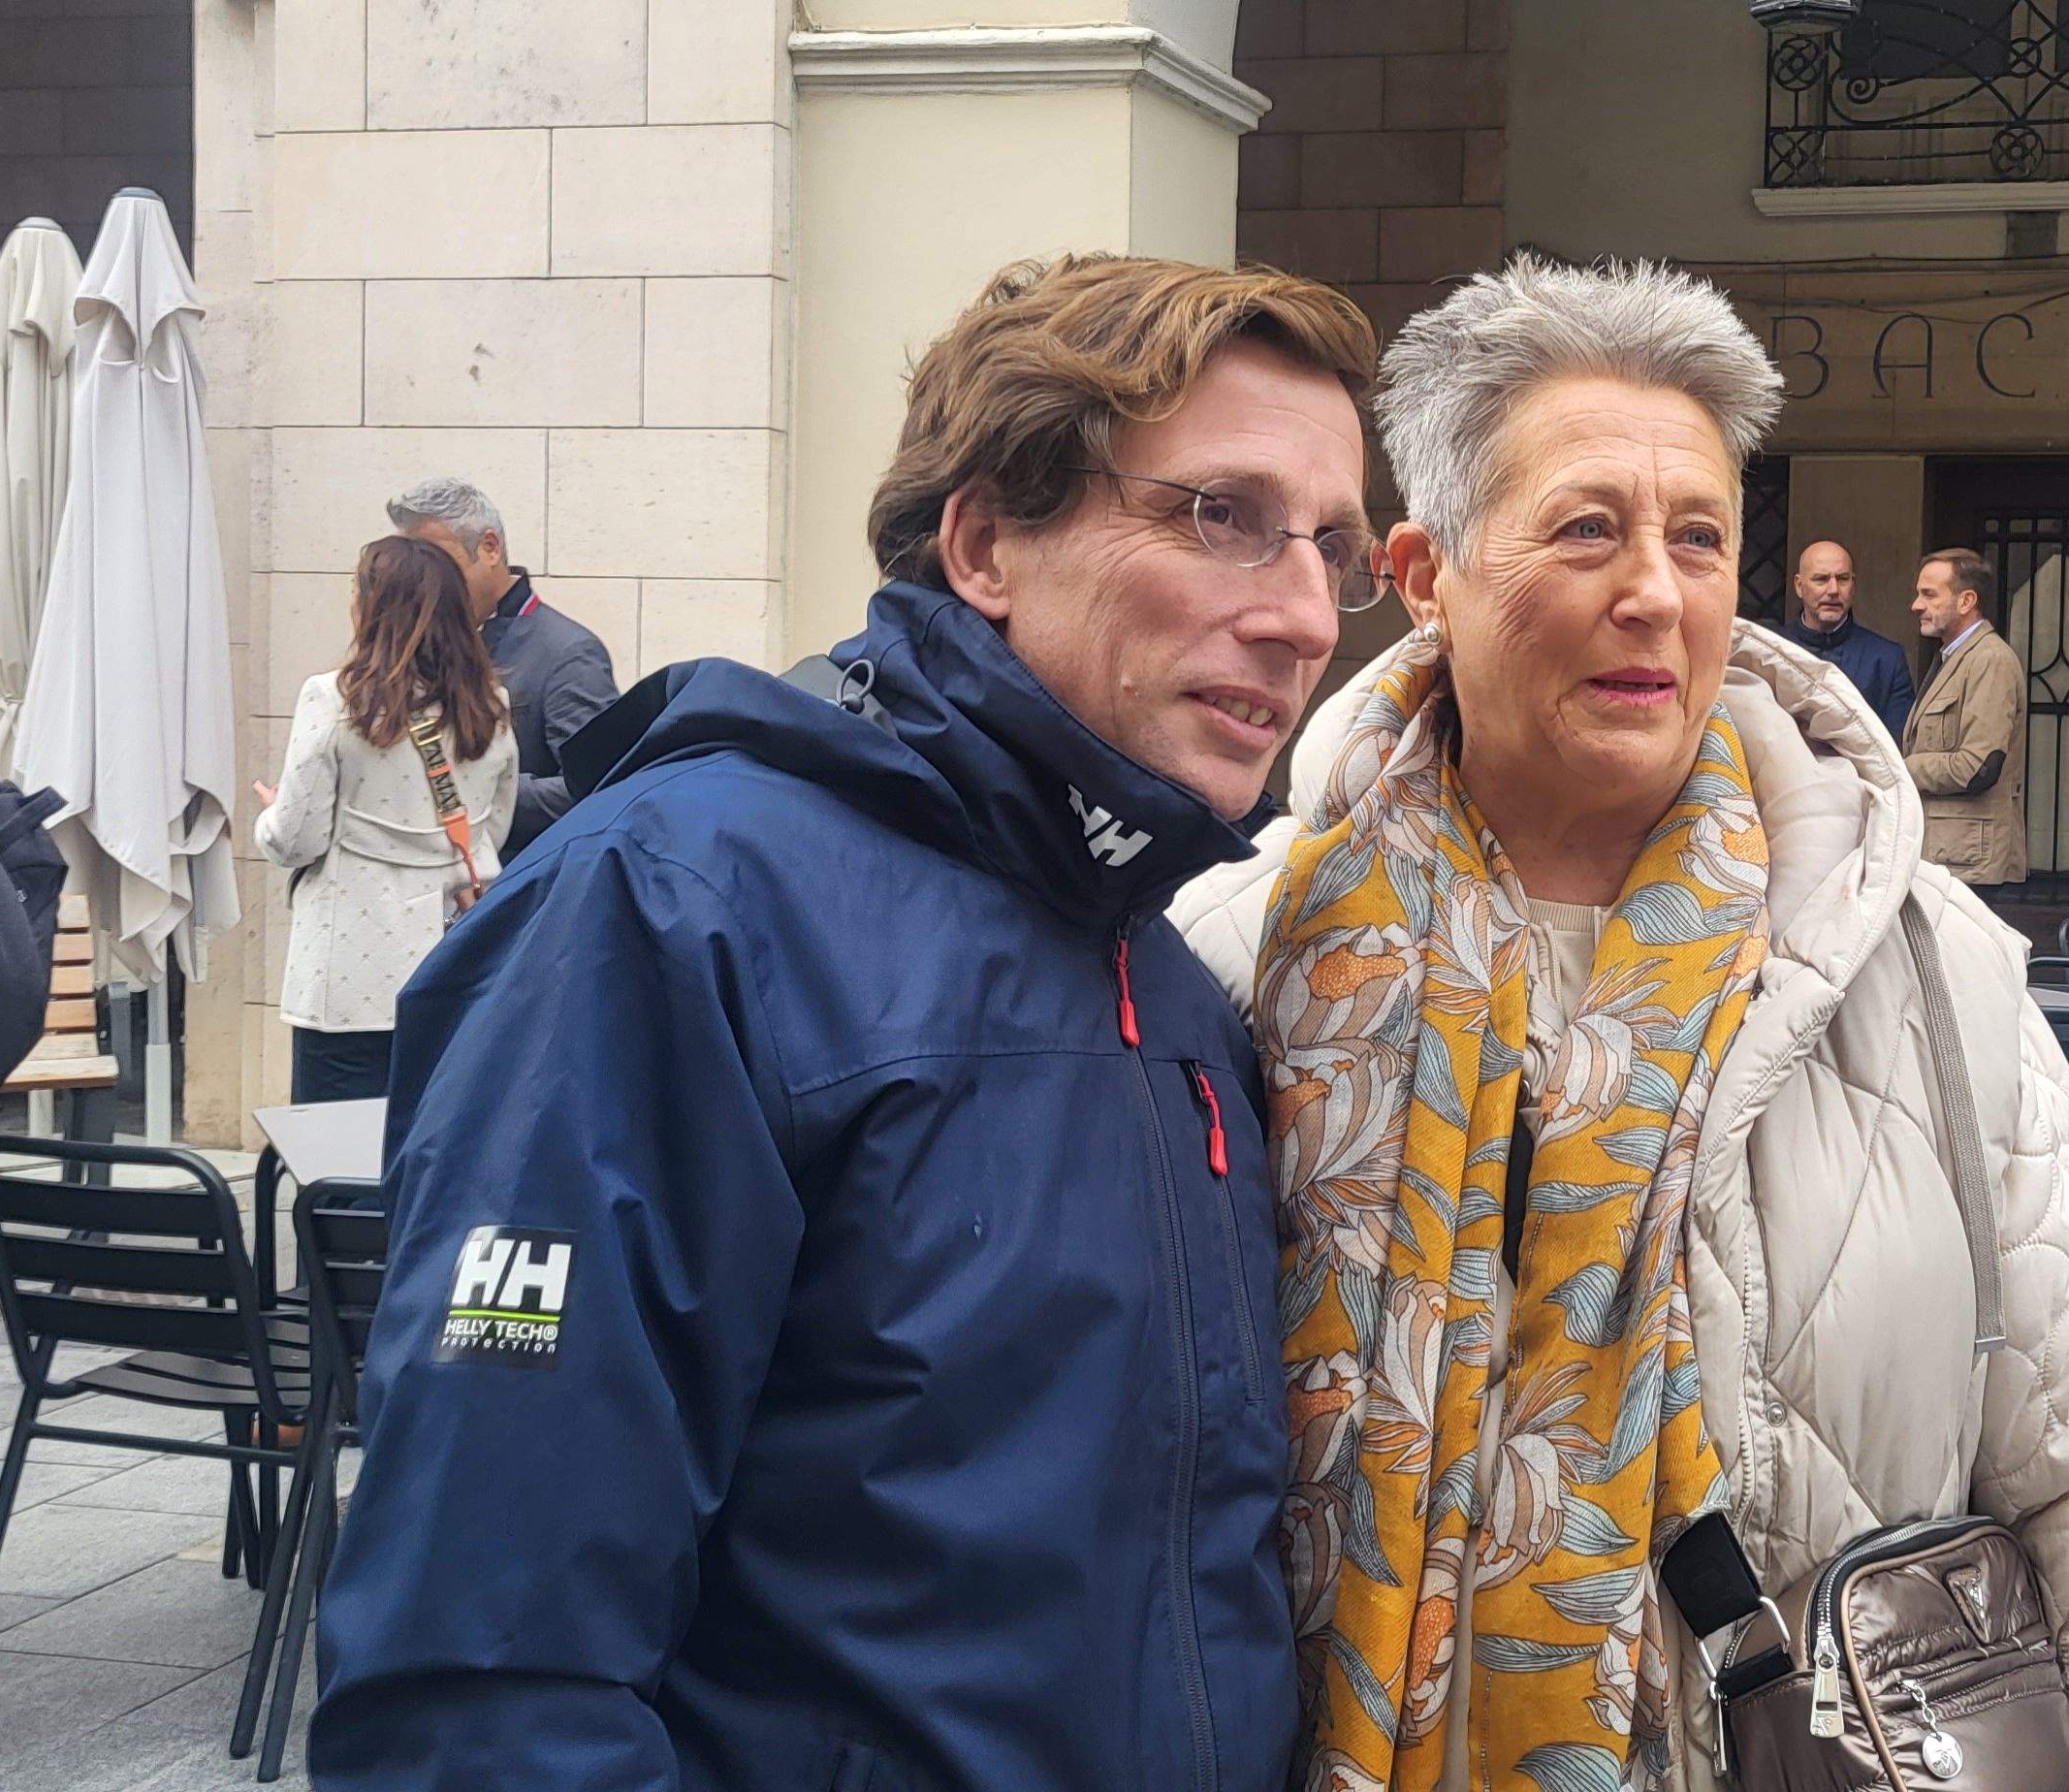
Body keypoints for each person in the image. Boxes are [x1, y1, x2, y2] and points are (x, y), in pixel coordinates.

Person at [310, 255, 1379, 1789]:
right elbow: (481, 1680)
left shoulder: (1169, 973)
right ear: (987, 543)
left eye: (1333, 547)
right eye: (1224, 516)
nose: (1303, 616)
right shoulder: (669, 911)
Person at [1169, 257, 2069, 1790]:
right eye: (1586, 528)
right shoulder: (1240, 957)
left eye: (1699, 536)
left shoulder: (1922, 968)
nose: (1655, 593)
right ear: (1424, 573)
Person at [252, 537, 519, 1104]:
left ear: (373, 608)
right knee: (433, 1139)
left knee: (337, 1147)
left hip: (349, 974)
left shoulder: (334, 699)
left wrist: (272, 812)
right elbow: (490, 831)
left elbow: (295, 840)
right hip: (456, 965)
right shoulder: (490, 704)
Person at [386, 478, 615, 858]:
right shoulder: (413, 643)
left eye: (436, 561)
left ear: (489, 548)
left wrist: (466, 789)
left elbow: (598, 788)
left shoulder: (568, 652)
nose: (422, 579)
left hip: (514, 883)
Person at [1908, 545, 2031, 897]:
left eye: (1929, 595)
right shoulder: (1956, 657)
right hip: (1951, 856)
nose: (1916, 605)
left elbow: (1978, 766)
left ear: (1966, 601)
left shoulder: (1990, 660)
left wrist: (1900, 768)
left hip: (1969, 862)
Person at [1770, 537, 1913, 736]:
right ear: (1799, 586)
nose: (1833, 590)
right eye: (1821, 579)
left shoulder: (1886, 659)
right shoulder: (1771, 649)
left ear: (1853, 586)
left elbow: (1896, 745)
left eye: (1842, 579)